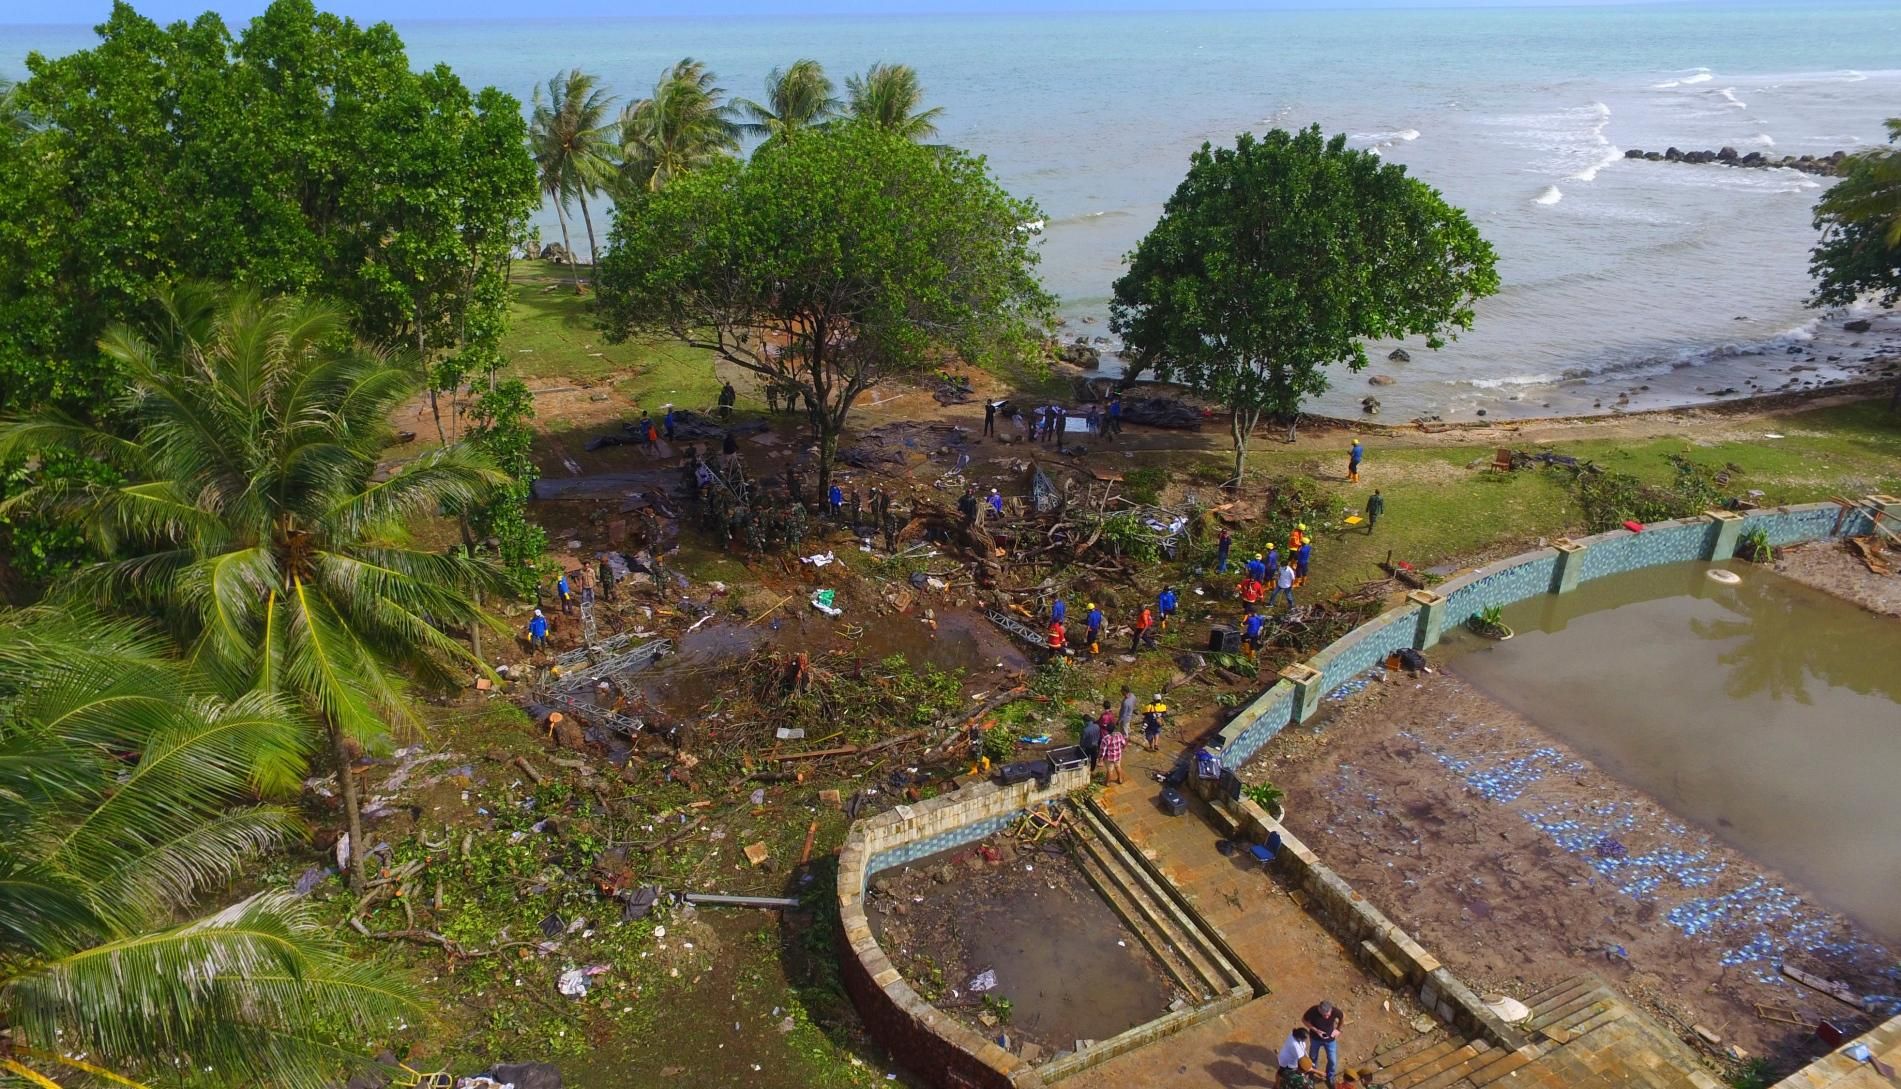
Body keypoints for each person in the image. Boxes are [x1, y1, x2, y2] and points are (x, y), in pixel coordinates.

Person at [1302, 1000, 1345, 1085]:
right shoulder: (1313, 1011)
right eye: (1325, 1015)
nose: (1327, 1017)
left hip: (1330, 1040)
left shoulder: (1334, 1011)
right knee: (1313, 1057)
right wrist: (1316, 1030)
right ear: (1319, 1010)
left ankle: (1330, 1077)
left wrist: (1338, 1029)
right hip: (1315, 1039)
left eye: (1329, 1014)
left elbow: (1342, 1016)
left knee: (1332, 1060)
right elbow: (1304, 1020)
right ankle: (1311, 1073)